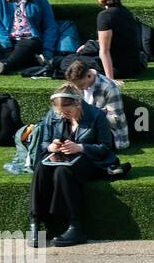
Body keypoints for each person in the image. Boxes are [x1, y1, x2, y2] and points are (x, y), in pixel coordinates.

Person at [27, 85, 128, 249]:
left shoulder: (96, 115)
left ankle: (75, 226)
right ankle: (35, 222)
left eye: (67, 112)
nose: (62, 116)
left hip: (89, 160)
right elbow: (44, 143)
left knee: (63, 171)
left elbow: (105, 148)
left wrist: (80, 147)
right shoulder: (53, 114)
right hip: (60, 156)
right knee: (41, 167)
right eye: (59, 112)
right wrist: (51, 147)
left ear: (78, 105)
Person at [64, 0, 146, 84]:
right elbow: (117, 40)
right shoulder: (125, 12)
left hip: (118, 69)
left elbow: (104, 50)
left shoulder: (105, 16)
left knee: (67, 61)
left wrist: (110, 79)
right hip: (134, 66)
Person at [64, 59, 129, 150]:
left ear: (89, 76)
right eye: (76, 86)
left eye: (81, 85)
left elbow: (116, 119)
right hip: (83, 127)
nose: (79, 89)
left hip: (108, 132)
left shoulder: (109, 87)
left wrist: (90, 116)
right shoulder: (78, 85)